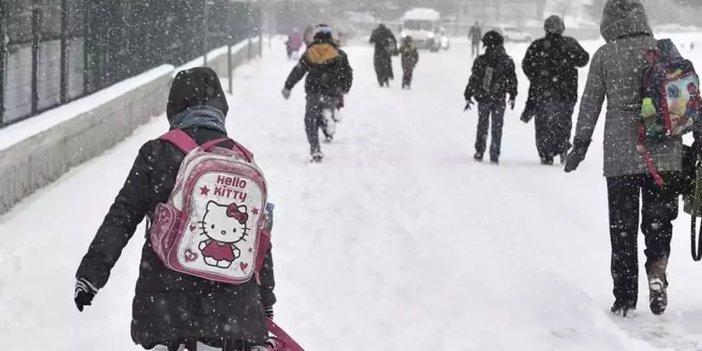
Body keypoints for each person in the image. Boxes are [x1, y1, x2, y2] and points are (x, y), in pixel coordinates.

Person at [73, 67, 276, 350]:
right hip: (234, 313)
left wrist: (90, 275)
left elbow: (122, 216)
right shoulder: (242, 161)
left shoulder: (156, 153)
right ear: (220, 108)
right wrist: (265, 302)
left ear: (174, 106)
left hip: (165, 309)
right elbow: (259, 239)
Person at [565, 0, 679, 317]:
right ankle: (657, 271)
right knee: (658, 223)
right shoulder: (662, 49)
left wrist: (580, 144)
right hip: (664, 153)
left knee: (623, 228)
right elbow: (684, 98)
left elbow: (590, 105)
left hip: (621, 155)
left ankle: (625, 297)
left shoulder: (605, 55)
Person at [522, 15, 590, 165]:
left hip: (542, 93)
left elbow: (526, 65)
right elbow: (584, 59)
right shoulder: (569, 43)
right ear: (562, 28)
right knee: (563, 122)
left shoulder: (537, 46)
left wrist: (537, 77)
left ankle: (546, 153)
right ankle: (562, 147)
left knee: (543, 125)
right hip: (566, 93)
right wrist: (569, 60)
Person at [282, 24, 353, 163]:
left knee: (310, 120)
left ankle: (315, 149)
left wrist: (288, 87)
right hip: (333, 92)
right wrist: (345, 88)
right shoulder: (340, 54)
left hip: (314, 92)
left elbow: (299, 71)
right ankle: (331, 118)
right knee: (329, 108)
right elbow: (348, 73)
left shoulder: (310, 52)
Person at [464, 31, 518, 165]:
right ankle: (494, 153)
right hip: (499, 98)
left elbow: (474, 79)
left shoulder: (481, 60)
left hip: (483, 97)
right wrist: (512, 95)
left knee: (482, 125)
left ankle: (480, 150)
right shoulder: (507, 61)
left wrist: (468, 94)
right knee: (497, 126)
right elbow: (512, 80)